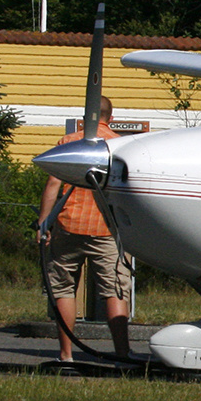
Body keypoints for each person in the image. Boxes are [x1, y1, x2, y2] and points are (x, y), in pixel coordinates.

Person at [36, 97, 134, 363]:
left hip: (68, 226)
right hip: (106, 229)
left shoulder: (69, 143)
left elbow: (53, 184)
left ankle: (66, 354)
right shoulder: (120, 145)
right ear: (110, 118)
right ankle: (123, 353)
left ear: (85, 118)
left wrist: (44, 222)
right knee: (115, 289)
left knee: (64, 289)